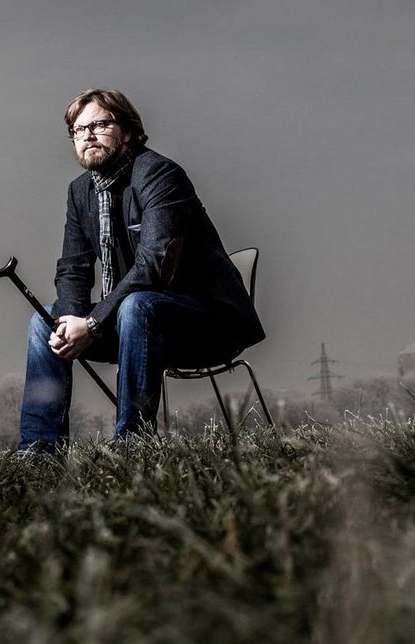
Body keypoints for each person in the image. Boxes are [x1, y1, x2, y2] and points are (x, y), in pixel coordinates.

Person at [18, 88, 265, 451]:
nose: (87, 136)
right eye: (78, 129)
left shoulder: (160, 175)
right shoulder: (80, 192)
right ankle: (38, 450)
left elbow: (153, 265)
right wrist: (70, 322)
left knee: (139, 304)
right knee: (44, 322)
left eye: (100, 125)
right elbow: (73, 268)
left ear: (129, 131)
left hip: (206, 323)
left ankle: (132, 445)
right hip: (131, 321)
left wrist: (93, 323)